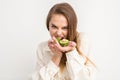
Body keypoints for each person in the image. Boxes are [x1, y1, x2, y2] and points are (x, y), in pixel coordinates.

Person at [31, 2, 96, 80]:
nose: (58, 33)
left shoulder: (82, 40)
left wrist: (71, 52)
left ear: (72, 27)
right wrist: (56, 57)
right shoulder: (42, 48)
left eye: (64, 28)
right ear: (48, 25)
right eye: (54, 27)